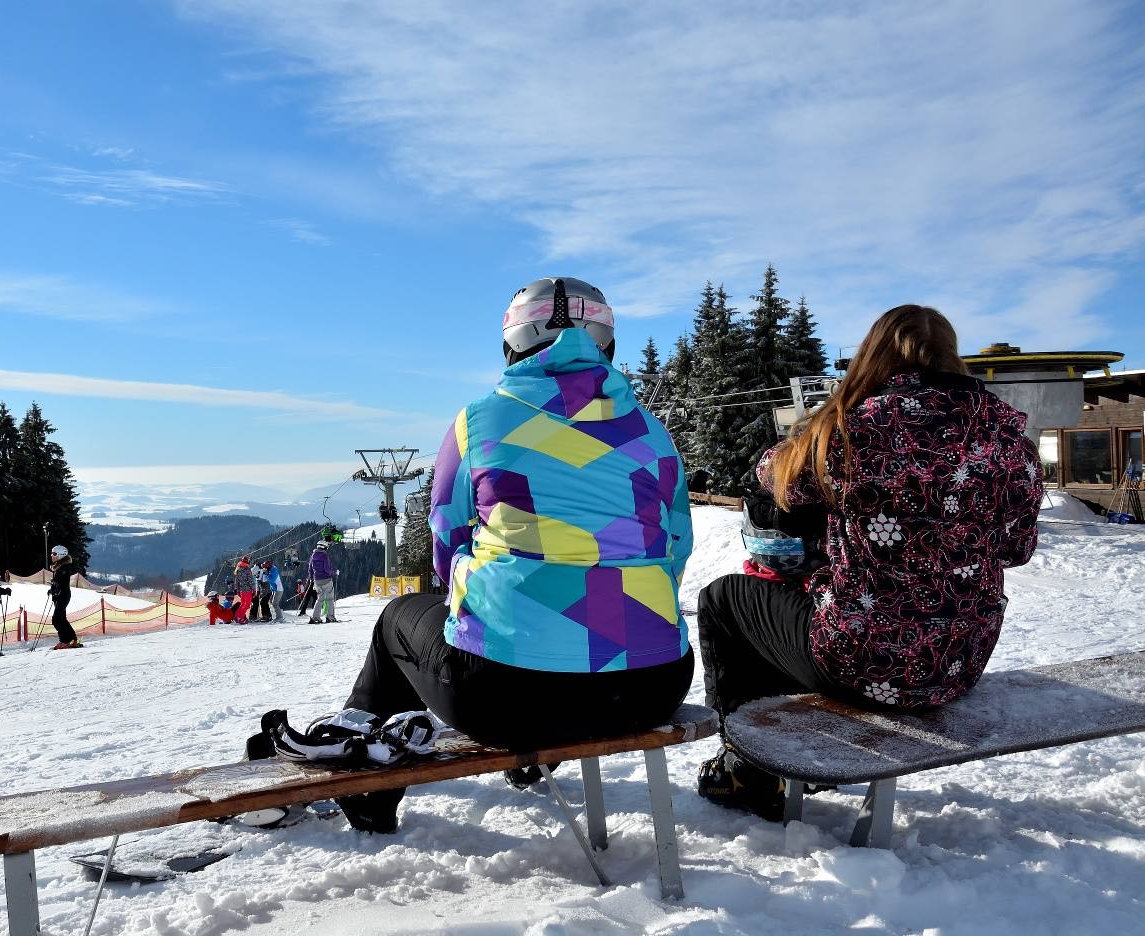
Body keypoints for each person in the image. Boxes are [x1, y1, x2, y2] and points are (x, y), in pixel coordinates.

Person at [326, 277, 694, 832]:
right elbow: (677, 546)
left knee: (399, 621)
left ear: (513, 345)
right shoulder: (650, 431)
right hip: (650, 685)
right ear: (606, 346)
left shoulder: (479, 421)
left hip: (509, 698)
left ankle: (370, 794)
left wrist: (476, 612)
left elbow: (447, 538)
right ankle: (533, 757)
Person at [695, 305, 1044, 819]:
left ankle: (751, 767)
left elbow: (776, 479)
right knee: (808, 601)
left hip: (861, 661)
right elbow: (1017, 549)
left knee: (725, 600)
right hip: (957, 662)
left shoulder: (852, 428)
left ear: (873, 356)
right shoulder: (1009, 437)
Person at [48, 544, 82, 649]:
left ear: (61, 555)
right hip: (60, 595)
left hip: (63, 596)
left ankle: (65, 641)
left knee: (57, 619)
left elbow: (63, 584)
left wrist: (57, 593)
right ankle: (73, 640)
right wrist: (52, 589)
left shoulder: (63, 568)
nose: (51, 556)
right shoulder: (59, 567)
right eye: (51, 554)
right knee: (62, 619)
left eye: (54, 554)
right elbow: (57, 583)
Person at [306, 540, 338, 624]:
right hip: (326, 580)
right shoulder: (324, 555)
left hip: (317, 581)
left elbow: (310, 569)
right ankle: (330, 617)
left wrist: (312, 579)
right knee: (330, 599)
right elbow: (327, 569)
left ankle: (316, 617)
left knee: (319, 599)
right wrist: (334, 572)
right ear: (324, 547)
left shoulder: (313, 555)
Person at [232, 556, 256, 624]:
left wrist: (238, 590)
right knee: (247, 605)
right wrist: (253, 589)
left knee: (243, 604)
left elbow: (237, 581)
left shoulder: (238, 569)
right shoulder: (247, 569)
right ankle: (240, 617)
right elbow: (250, 580)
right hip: (248, 589)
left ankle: (237, 617)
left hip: (242, 590)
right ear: (247, 561)